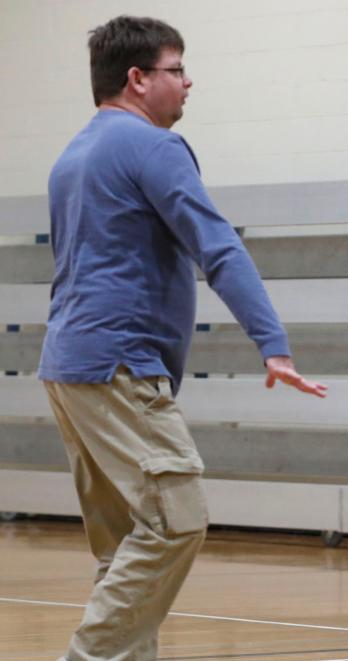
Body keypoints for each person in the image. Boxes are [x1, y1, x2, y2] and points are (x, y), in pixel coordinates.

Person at [38, 16, 326, 661]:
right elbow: (217, 247)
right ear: (137, 80)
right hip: (118, 364)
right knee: (176, 520)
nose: (188, 81)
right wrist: (272, 343)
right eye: (176, 69)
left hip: (68, 366)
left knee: (122, 550)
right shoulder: (154, 147)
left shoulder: (72, 155)